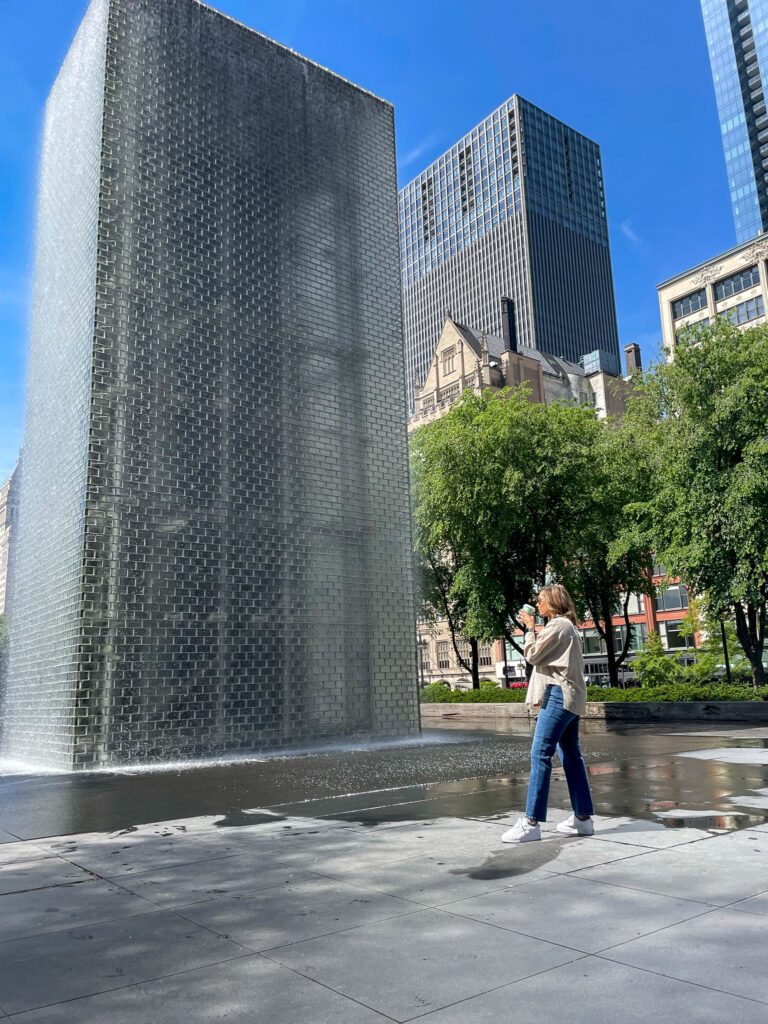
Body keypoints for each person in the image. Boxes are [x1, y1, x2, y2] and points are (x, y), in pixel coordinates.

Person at [502, 583, 594, 843]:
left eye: (541, 600)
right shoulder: (566, 626)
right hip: (570, 696)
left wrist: (529, 628)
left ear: (553, 602)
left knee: (540, 754)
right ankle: (583, 819)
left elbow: (532, 655)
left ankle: (531, 823)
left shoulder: (558, 626)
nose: (538, 604)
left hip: (558, 695)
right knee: (571, 756)